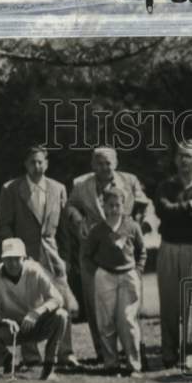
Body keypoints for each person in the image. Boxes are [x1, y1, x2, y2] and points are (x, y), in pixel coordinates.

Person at [0, 146, 78, 368]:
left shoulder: (58, 188)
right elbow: (3, 226)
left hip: (53, 256)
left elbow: (63, 229)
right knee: (27, 305)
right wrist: (14, 254)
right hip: (24, 257)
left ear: (47, 163)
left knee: (62, 302)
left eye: (41, 162)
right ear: (25, 164)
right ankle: (31, 356)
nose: (37, 167)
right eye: (32, 162)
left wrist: (65, 258)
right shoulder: (11, 189)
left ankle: (65, 353)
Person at [64, 146, 148, 355]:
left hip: (124, 253)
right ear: (93, 165)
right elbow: (70, 206)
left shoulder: (130, 181)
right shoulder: (80, 184)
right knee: (96, 306)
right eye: (99, 163)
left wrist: (135, 223)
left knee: (128, 305)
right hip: (93, 252)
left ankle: (133, 350)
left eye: (108, 163)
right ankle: (103, 352)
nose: (104, 167)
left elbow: (143, 203)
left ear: (116, 163)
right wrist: (78, 220)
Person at [154, 141, 192, 369]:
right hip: (169, 245)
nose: (183, 160)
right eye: (180, 156)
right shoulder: (166, 185)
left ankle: (190, 351)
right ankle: (169, 351)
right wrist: (191, 205)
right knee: (169, 301)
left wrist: (182, 208)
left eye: (188, 156)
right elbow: (163, 211)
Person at [0, 238, 68, 382]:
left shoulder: (35, 270)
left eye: (17, 258)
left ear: (24, 258)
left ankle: (49, 367)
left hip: (35, 324)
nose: (13, 263)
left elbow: (58, 299)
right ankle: (8, 362)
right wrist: (2, 321)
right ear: (2, 259)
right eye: (8, 259)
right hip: (10, 328)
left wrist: (37, 312)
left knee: (61, 316)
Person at [80, 187, 147, 376]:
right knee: (106, 321)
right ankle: (111, 364)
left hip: (128, 275)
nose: (114, 209)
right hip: (105, 276)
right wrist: (97, 272)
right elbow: (87, 255)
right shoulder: (98, 230)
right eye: (110, 205)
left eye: (118, 205)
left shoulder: (132, 226)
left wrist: (138, 270)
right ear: (103, 206)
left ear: (124, 206)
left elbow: (141, 250)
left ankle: (134, 365)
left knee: (128, 320)